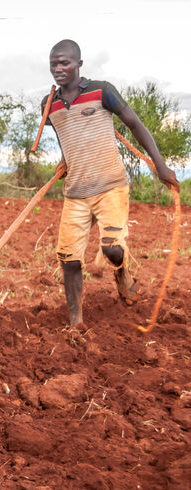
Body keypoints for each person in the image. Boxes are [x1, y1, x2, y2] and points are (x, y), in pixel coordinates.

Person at [43, 39, 180, 328]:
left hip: (111, 186)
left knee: (111, 249)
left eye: (64, 62)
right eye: (54, 63)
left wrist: (161, 166)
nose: (58, 68)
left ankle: (120, 272)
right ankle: (76, 323)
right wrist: (65, 159)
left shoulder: (102, 91)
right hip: (76, 193)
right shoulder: (48, 105)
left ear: (79, 64)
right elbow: (65, 136)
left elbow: (135, 124)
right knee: (68, 258)